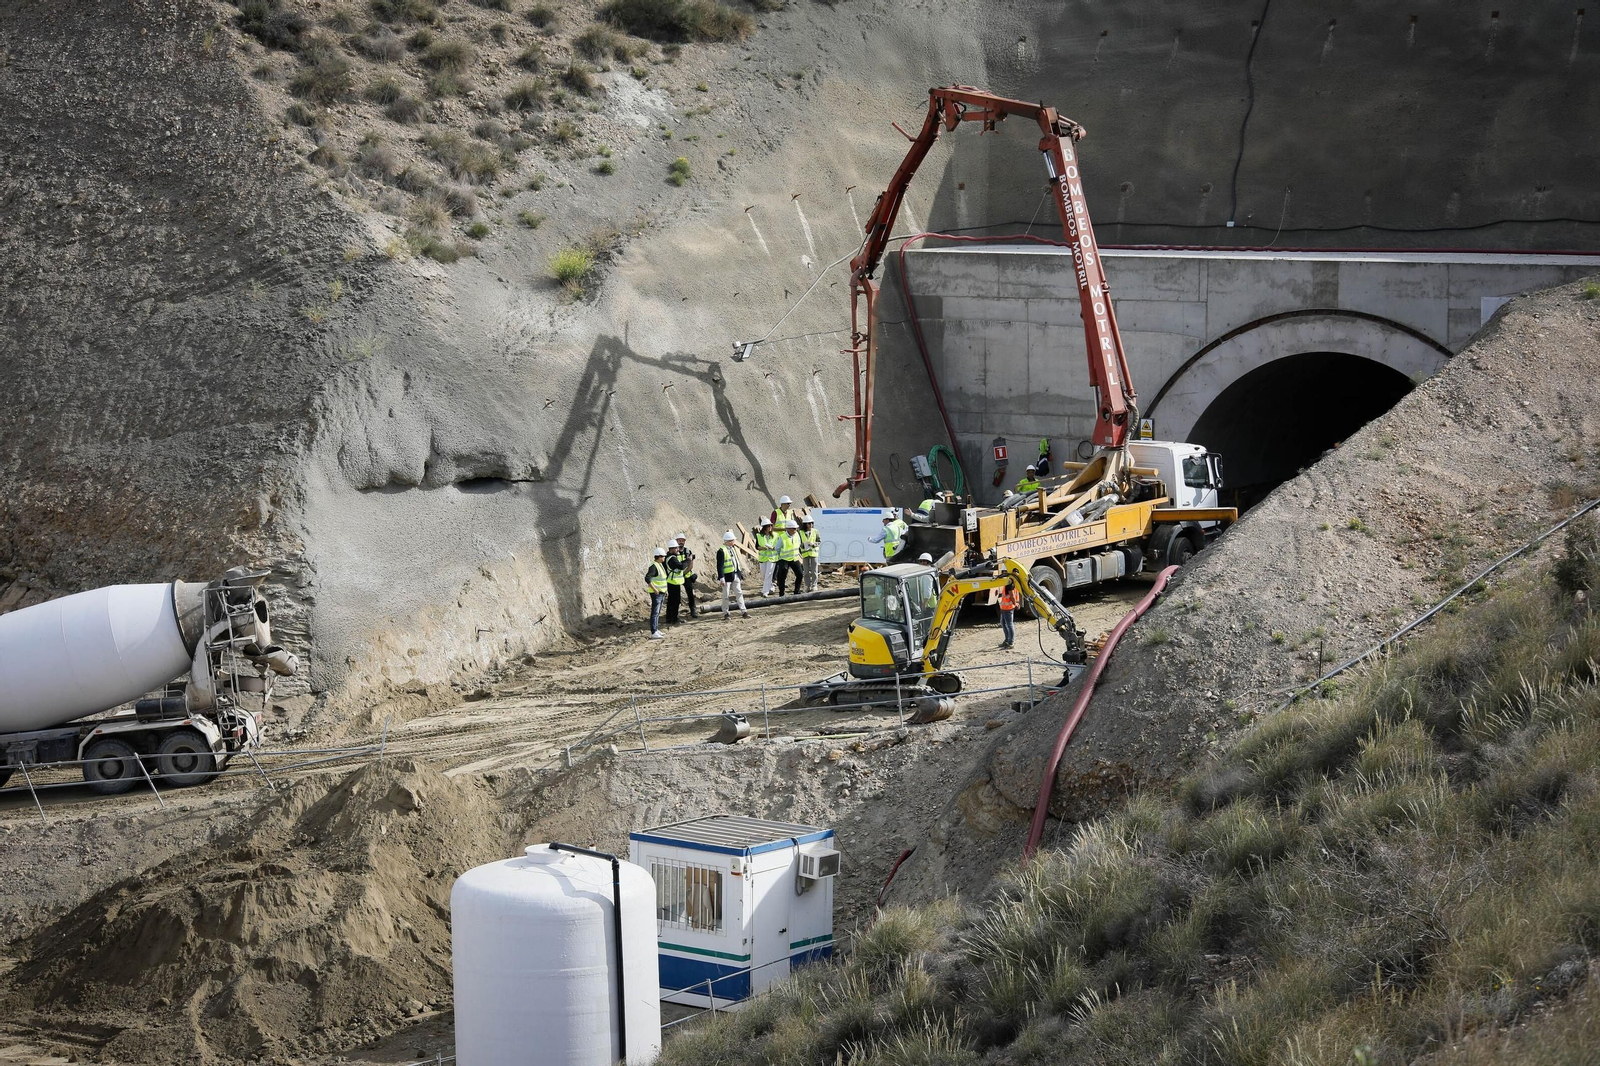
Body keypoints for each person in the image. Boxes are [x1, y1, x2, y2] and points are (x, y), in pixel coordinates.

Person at [715, 531, 749, 620]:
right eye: (733, 540)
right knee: (726, 596)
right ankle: (726, 613)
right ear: (729, 541)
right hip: (726, 577)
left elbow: (735, 562)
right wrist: (721, 578)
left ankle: (744, 611)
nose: (734, 542)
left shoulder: (733, 548)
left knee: (739, 593)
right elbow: (720, 565)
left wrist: (739, 573)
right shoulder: (721, 551)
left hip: (735, 574)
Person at [664, 534, 690, 625]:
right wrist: (688, 560)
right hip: (673, 582)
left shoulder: (669, 557)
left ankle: (669, 618)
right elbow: (681, 566)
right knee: (675, 601)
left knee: (671, 601)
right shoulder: (672, 559)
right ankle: (674, 619)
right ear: (672, 549)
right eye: (676, 548)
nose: (678, 550)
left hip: (672, 582)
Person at [644, 546, 669, 640]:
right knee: (655, 612)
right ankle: (653, 631)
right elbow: (647, 578)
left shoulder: (659, 565)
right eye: (663, 556)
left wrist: (665, 591)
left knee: (657, 612)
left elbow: (662, 580)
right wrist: (654, 589)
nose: (664, 558)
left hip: (661, 592)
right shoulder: (654, 566)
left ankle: (656, 629)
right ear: (659, 556)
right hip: (656, 593)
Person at [673, 533, 698, 619]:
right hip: (676, 577)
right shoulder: (674, 552)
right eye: (679, 540)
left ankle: (693, 610)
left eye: (682, 540)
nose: (681, 542)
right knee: (676, 596)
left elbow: (691, 564)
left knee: (690, 594)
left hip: (686, 576)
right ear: (676, 541)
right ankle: (674, 614)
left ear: (684, 541)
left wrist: (684, 573)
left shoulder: (688, 551)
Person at [775, 519, 803, 596]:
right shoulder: (782, 537)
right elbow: (777, 548)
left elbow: (799, 544)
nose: (795, 530)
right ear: (789, 529)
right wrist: (780, 558)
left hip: (794, 558)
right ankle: (781, 593)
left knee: (800, 574)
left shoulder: (797, 534)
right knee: (782, 576)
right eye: (794, 528)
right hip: (784, 559)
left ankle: (796, 591)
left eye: (796, 528)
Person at [755, 516, 778, 596]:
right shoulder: (759, 536)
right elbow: (757, 546)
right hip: (763, 558)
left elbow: (778, 545)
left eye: (771, 525)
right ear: (764, 527)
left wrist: (774, 548)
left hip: (772, 558)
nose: (770, 527)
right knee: (764, 576)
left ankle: (765, 591)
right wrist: (763, 548)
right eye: (768, 526)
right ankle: (771, 587)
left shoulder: (775, 535)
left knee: (769, 574)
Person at [799, 515, 820, 592]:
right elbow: (798, 543)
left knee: (814, 571)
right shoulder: (800, 532)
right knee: (806, 571)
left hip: (814, 554)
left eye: (811, 523)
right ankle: (807, 585)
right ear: (805, 524)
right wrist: (803, 546)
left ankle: (814, 585)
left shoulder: (815, 531)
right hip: (805, 554)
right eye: (809, 523)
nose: (810, 525)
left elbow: (819, 541)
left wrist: (814, 544)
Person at [997, 579, 1018, 650]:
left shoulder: (1009, 584)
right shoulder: (1008, 582)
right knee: (1003, 623)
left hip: (1008, 608)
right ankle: (1007, 640)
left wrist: (1015, 604)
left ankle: (1011, 642)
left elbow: (1012, 596)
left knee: (1009, 625)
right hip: (1004, 608)